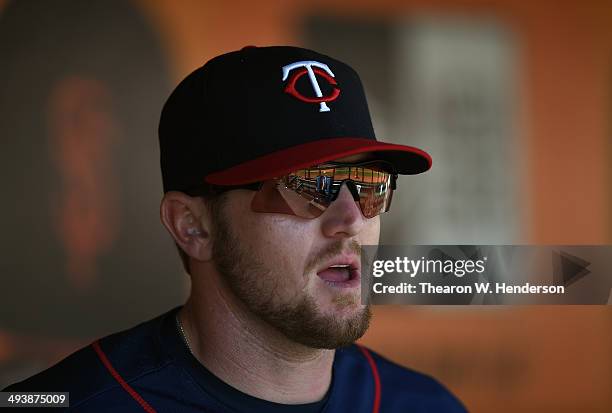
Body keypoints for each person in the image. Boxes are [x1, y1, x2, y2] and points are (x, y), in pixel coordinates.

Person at [4, 46, 466, 412]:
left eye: (368, 185)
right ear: (193, 227)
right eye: (305, 186)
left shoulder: (427, 404)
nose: (350, 221)